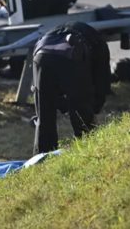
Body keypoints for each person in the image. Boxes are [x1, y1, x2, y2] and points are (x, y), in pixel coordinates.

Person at [32, 21, 110, 154]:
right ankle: (87, 154)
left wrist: (62, 103)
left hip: (40, 55)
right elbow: (102, 79)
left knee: (44, 117)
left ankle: (42, 159)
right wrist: (94, 108)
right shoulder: (99, 43)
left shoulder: (58, 30)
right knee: (82, 117)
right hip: (71, 55)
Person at [0, 0, 78, 79]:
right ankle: (58, 66)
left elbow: (18, 25)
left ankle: (16, 70)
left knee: (26, 30)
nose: (1, 5)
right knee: (57, 31)